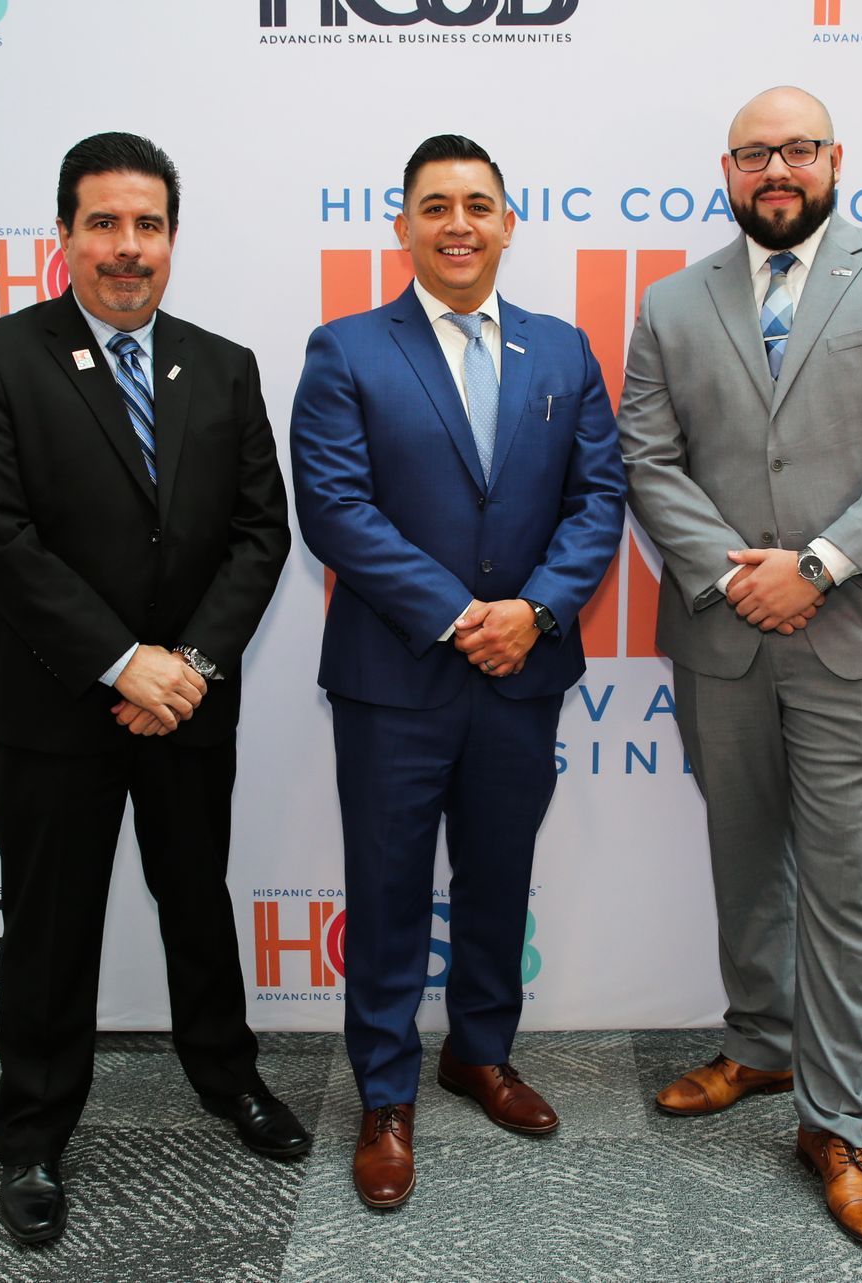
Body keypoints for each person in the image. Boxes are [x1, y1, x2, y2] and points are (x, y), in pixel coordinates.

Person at [617, 87, 862, 1247]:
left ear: (835, 158)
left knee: (846, 881)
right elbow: (647, 453)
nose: (778, 169)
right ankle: (762, 1044)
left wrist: (818, 565)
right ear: (726, 171)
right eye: (755, 154)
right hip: (726, 637)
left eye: (798, 149)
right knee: (743, 850)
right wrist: (737, 578)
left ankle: (834, 1118)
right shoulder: (674, 304)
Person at [0, 131, 304, 1246]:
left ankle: (227, 1078)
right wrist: (121, 658)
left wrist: (185, 668)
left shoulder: (224, 363)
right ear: (63, 235)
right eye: (104, 223)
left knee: (198, 902)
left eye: (148, 225)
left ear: (173, 239)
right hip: (59, 708)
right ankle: (36, 1134)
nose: (127, 248)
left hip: (188, 705)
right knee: (52, 928)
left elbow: (261, 531)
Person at [290, 134, 625, 1209]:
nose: (458, 223)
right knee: (387, 892)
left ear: (508, 221)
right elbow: (335, 508)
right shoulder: (347, 349)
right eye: (435, 205)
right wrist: (456, 615)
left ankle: (479, 1052)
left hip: (522, 672)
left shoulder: (562, 351)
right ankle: (386, 1092)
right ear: (403, 224)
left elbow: (597, 500)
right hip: (396, 677)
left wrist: (530, 613)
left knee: (497, 875)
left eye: (478, 203)